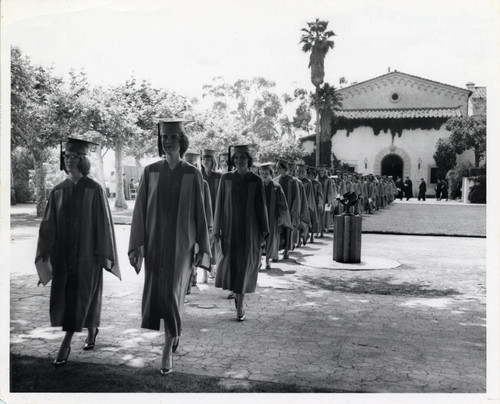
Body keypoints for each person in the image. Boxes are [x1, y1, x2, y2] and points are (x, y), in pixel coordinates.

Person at [128, 118, 210, 375]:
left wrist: (202, 247)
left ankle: (166, 348)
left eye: (173, 138)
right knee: (158, 295)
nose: (168, 142)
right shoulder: (150, 171)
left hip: (181, 247)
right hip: (155, 245)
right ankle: (173, 334)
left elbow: (200, 213)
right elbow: (140, 210)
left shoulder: (192, 174)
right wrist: (137, 245)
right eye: (164, 138)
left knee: (173, 295)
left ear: (182, 142)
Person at [35, 137, 121, 366]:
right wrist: (44, 255)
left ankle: (66, 342)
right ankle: (92, 332)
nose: (69, 160)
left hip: (87, 256)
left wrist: (103, 254)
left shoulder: (94, 190)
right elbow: (48, 226)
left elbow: (103, 224)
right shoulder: (58, 191)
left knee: (82, 297)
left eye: (74, 157)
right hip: (64, 257)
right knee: (74, 298)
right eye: (66, 157)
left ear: (83, 160)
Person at [212, 145, 269, 321]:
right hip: (230, 229)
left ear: (248, 160)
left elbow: (261, 208)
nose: (239, 161)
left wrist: (264, 232)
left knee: (245, 266)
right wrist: (216, 230)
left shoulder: (256, 180)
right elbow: (220, 204)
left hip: (250, 231)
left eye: (242, 157)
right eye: (236, 158)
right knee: (231, 264)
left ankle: (240, 303)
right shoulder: (226, 178)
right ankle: (237, 295)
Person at [259, 163, 292, 269]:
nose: (264, 175)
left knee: (270, 239)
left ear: (270, 173)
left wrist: (282, 217)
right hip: (260, 217)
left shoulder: (276, 187)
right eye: (262, 173)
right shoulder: (258, 185)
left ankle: (267, 260)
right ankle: (259, 260)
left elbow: (283, 204)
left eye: (266, 173)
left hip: (272, 218)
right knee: (259, 239)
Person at [201, 149, 222, 282]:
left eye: (208, 159)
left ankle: (214, 269)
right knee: (203, 241)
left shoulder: (218, 177)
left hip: (215, 212)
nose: (205, 161)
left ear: (213, 161)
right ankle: (204, 272)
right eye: (203, 159)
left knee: (215, 242)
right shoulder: (198, 175)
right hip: (203, 212)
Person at [274, 159, 300, 259]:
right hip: (279, 210)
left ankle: (286, 251)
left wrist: (294, 211)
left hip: (289, 209)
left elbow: (296, 198)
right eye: (276, 168)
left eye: (279, 168)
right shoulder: (275, 180)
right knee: (278, 230)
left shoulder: (293, 181)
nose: (277, 170)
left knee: (288, 230)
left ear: (284, 169)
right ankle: (277, 250)